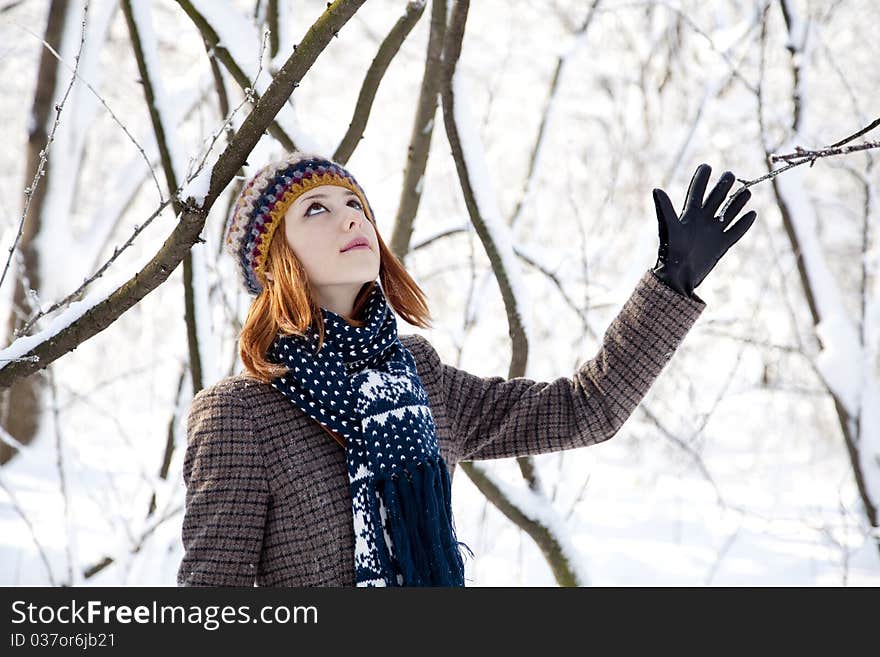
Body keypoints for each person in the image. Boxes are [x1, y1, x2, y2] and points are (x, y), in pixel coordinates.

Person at [176, 151, 756, 587]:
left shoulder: (421, 378)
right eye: (317, 210)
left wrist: (670, 283)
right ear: (274, 261)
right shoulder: (240, 414)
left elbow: (588, 409)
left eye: (355, 204)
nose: (350, 219)